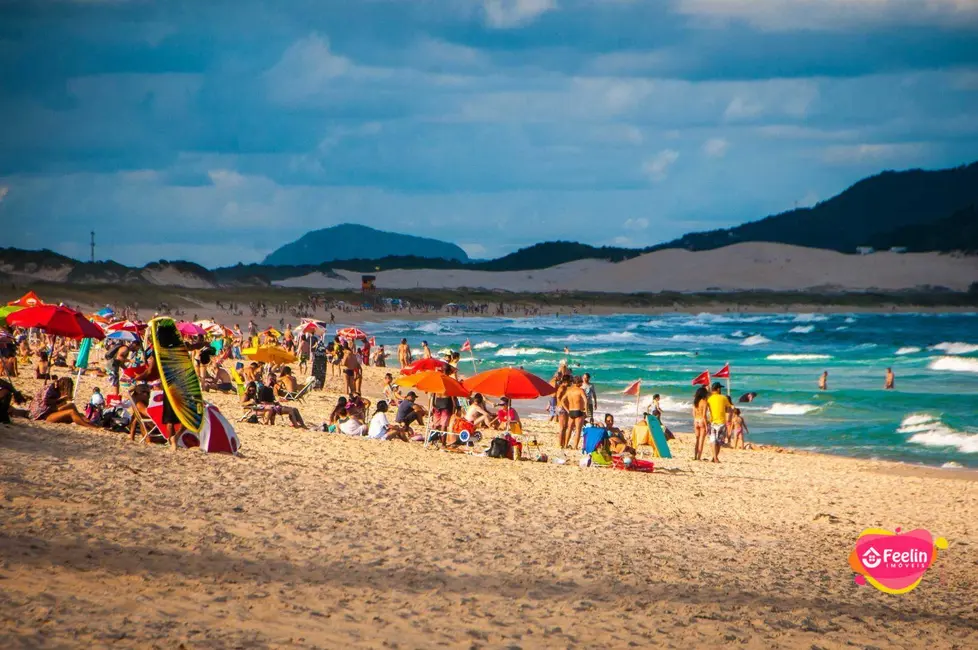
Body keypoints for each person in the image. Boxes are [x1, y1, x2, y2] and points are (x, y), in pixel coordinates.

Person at [28, 376, 97, 428]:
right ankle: (89, 426)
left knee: (73, 407)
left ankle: (91, 424)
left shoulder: (55, 388)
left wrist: (63, 400)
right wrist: (61, 399)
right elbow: (46, 401)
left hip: (48, 411)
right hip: (41, 415)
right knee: (71, 412)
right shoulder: (50, 389)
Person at [705, 382, 733, 463]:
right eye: (720, 388)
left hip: (712, 421)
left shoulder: (709, 399)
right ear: (718, 389)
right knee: (719, 442)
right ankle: (715, 457)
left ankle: (714, 458)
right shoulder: (724, 398)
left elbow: (706, 410)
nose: (721, 389)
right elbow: (729, 408)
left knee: (713, 440)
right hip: (721, 422)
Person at [692, 386, 709, 461]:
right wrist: (706, 426)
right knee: (701, 440)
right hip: (702, 421)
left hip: (696, 420)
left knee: (697, 439)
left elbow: (693, 413)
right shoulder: (704, 402)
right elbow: (704, 415)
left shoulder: (695, 402)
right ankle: (699, 457)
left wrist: (695, 420)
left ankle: (695, 456)